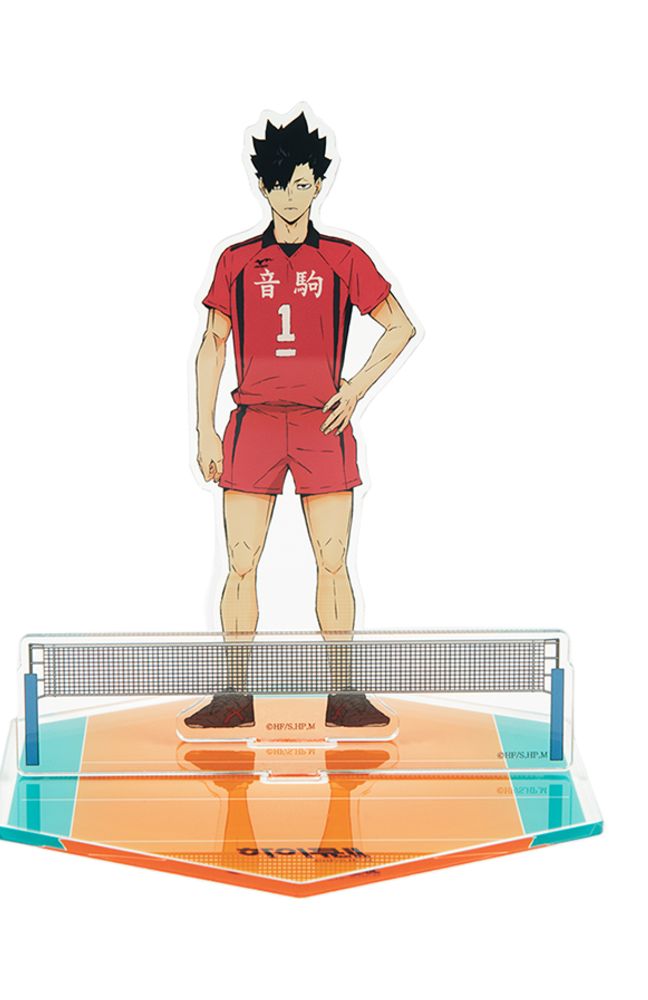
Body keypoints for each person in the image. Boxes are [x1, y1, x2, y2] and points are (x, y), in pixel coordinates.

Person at [190, 111, 417, 728]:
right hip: (254, 422)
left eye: (301, 182)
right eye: (278, 184)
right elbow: (212, 343)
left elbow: (401, 327)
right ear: (261, 187)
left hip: (323, 424)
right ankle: (235, 694)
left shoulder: (345, 257)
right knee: (240, 560)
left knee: (334, 559)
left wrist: (356, 389)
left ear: (318, 183)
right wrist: (204, 429)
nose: (290, 195)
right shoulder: (236, 259)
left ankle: (344, 693)